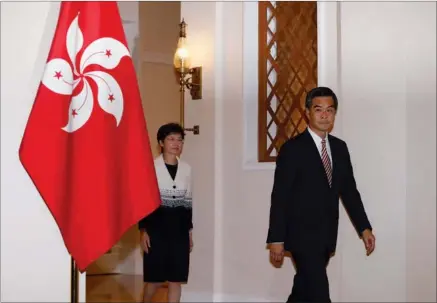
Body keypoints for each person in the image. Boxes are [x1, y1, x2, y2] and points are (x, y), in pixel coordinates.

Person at [266, 87, 376, 302]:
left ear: (335, 113)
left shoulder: (340, 148)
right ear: (308, 112)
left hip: (326, 234)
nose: (325, 115)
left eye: (330, 110)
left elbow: (350, 192)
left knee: (304, 290)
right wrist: (276, 238)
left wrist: (364, 228)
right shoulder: (292, 149)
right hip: (300, 235)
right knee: (319, 292)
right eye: (319, 110)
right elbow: (280, 196)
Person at [138, 122, 193, 303]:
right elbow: (143, 201)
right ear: (161, 142)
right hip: (157, 229)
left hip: (179, 230)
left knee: (176, 279)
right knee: (154, 279)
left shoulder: (186, 169)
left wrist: (189, 233)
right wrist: (143, 230)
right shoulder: (150, 167)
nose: (176, 143)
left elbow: (188, 203)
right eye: (171, 139)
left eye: (180, 140)